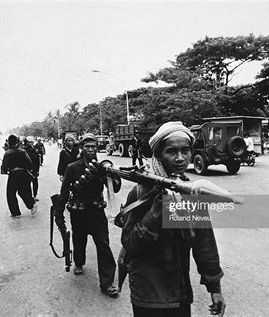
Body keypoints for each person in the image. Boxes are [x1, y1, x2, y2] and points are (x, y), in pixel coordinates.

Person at [119, 121, 225, 317]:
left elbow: (204, 243)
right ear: (158, 155)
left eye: (185, 151)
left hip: (179, 293)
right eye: (171, 151)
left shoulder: (189, 192)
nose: (180, 158)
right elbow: (130, 244)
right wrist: (156, 213)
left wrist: (215, 288)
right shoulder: (141, 192)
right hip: (147, 296)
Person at [55, 133, 118, 298]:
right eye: (87, 147)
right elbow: (64, 192)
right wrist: (59, 213)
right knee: (79, 240)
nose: (90, 150)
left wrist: (114, 176)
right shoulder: (72, 168)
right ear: (82, 148)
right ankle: (79, 262)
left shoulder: (102, 167)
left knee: (103, 245)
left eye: (93, 147)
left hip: (97, 212)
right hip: (79, 212)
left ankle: (107, 283)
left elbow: (115, 188)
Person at [1, 135, 37, 217]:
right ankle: (31, 204)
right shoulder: (23, 151)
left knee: (11, 193)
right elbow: (30, 163)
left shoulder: (7, 153)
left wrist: (5, 171)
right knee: (22, 191)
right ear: (17, 142)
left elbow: (4, 166)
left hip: (13, 174)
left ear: (9, 142)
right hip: (23, 174)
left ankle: (15, 212)